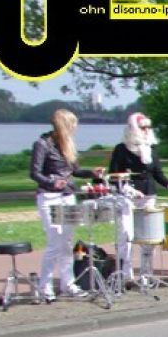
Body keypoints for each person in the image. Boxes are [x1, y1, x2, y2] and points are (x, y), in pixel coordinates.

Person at [108, 112, 168, 285]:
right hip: (126, 197)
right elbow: (114, 176)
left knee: (148, 238)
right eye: (142, 127)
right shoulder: (121, 149)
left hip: (148, 195)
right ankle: (125, 275)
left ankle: (146, 275)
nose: (146, 130)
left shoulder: (151, 149)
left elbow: (158, 174)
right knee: (126, 235)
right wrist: (130, 190)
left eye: (147, 127)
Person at [30, 108, 103, 301]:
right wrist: (52, 182)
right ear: (64, 125)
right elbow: (34, 173)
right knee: (54, 242)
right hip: (50, 197)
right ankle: (45, 286)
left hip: (68, 196)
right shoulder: (42, 144)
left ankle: (68, 283)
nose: (74, 129)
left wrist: (92, 173)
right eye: (72, 125)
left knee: (67, 242)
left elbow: (75, 171)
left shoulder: (67, 144)